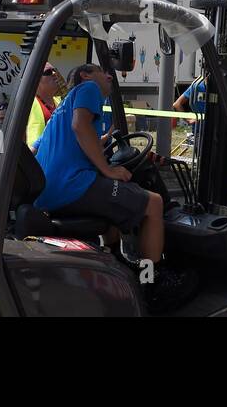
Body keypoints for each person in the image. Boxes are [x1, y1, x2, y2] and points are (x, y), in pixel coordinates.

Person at [34, 65, 192, 305]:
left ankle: (117, 263)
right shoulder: (88, 88)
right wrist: (107, 169)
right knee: (154, 203)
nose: (109, 76)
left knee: (112, 205)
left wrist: (102, 142)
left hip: (47, 193)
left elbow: (38, 146)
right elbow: (80, 126)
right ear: (85, 75)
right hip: (73, 186)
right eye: (101, 71)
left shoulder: (61, 109)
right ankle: (153, 281)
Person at [26, 63, 66, 150]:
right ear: (35, 78)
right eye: (48, 72)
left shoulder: (60, 102)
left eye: (54, 70)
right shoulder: (27, 103)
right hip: (37, 160)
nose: (54, 74)